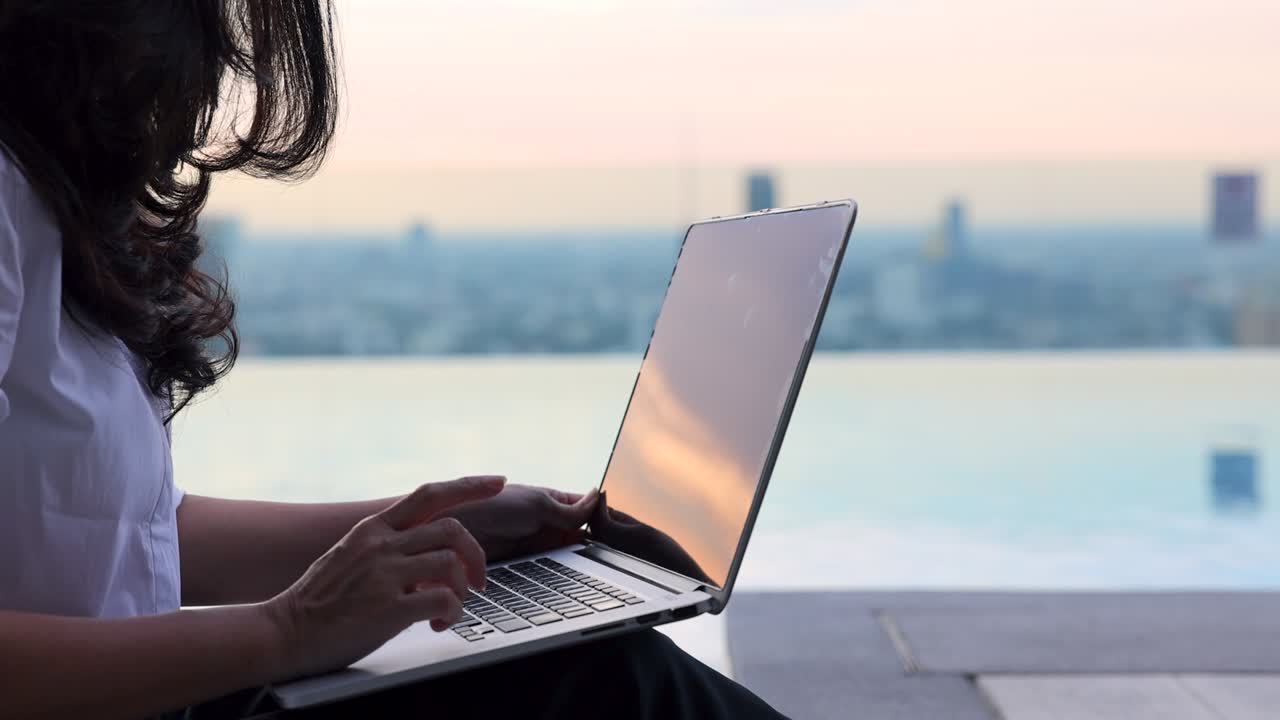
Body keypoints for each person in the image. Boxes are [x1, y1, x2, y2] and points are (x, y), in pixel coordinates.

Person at [0, 3, 787, 719]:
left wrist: (431, 532)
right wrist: (288, 630)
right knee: (610, 686)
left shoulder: (46, 194)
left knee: (590, 663)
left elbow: (133, 534)